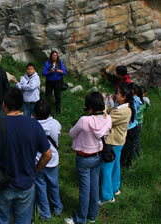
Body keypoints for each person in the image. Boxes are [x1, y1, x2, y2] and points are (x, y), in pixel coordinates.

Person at [0, 87, 52, 224]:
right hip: (27, 184)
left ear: (4, 104)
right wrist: (35, 170)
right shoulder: (34, 125)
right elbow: (48, 154)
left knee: (0, 220)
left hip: (2, 184)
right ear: (22, 105)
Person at [65, 92, 111, 224]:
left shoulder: (84, 120)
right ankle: (92, 216)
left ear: (89, 107)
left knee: (84, 190)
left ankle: (80, 219)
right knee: (94, 186)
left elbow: (71, 133)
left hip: (84, 158)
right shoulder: (107, 118)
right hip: (98, 156)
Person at [100, 84, 133, 205]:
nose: (115, 95)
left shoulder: (122, 111)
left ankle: (107, 196)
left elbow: (105, 119)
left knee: (106, 168)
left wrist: (104, 104)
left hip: (113, 142)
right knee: (115, 165)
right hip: (119, 142)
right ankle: (115, 187)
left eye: (118, 94)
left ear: (123, 97)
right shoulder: (125, 107)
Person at [33, 99, 63, 220]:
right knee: (54, 185)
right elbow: (58, 135)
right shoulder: (56, 123)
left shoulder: (33, 125)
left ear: (35, 113)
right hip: (53, 160)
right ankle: (58, 208)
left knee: (40, 187)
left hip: (38, 162)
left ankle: (45, 214)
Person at [120, 83, 142, 169]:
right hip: (135, 125)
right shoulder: (138, 100)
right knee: (131, 146)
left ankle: (124, 164)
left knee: (126, 147)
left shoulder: (133, 101)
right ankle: (128, 163)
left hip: (129, 127)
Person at [136, 85, 150, 159]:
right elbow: (145, 110)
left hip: (137, 122)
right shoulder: (145, 102)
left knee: (136, 139)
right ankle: (137, 153)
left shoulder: (141, 102)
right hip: (140, 121)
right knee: (136, 138)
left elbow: (137, 112)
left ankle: (137, 154)